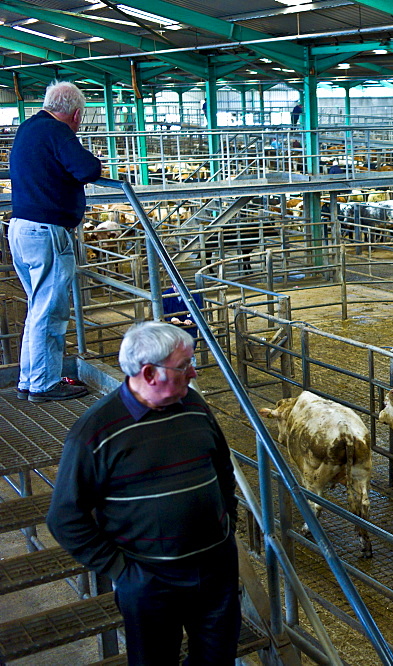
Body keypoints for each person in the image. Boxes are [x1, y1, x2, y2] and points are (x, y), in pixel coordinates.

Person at [47, 321, 241, 664]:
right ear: (150, 373)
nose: (194, 372)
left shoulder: (195, 406)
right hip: (151, 582)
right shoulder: (95, 433)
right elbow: (65, 518)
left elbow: (223, 469)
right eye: (184, 366)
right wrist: (122, 571)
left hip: (215, 571)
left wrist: (227, 528)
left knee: (217, 659)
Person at [9, 81, 102, 403]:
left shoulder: (29, 127)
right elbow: (88, 169)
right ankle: (45, 384)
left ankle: (30, 378)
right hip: (47, 231)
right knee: (50, 311)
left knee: (38, 308)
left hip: (21, 227)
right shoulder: (57, 131)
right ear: (76, 114)